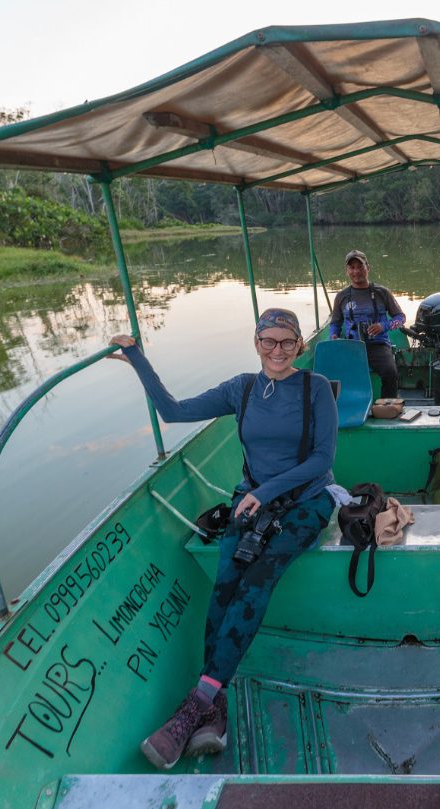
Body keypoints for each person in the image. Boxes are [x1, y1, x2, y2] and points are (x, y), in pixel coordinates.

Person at [108, 307, 338, 770]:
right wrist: (138, 360)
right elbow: (174, 412)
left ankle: (196, 704)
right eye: (268, 341)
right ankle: (215, 705)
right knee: (224, 587)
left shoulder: (316, 389)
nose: (277, 351)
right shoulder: (243, 388)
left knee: (257, 582)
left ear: (299, 345)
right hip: (251, 500)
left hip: (306, 501)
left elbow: (321, 459)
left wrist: (267, 492)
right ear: (256, 343)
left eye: (287, 343)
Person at [329, 249, 406, 398]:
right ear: (347, 271)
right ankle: (347, 405)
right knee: (334, 372)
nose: (356, 271)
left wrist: (383, 326)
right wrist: (333, 336)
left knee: (391, 373)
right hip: (351, 345)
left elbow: (400, 318)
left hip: (378, 345)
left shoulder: (382, 292)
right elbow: (335, 323)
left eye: (360, 266)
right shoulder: (341, 296)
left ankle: (387, 407)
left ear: (368, 268)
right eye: (352, 267)